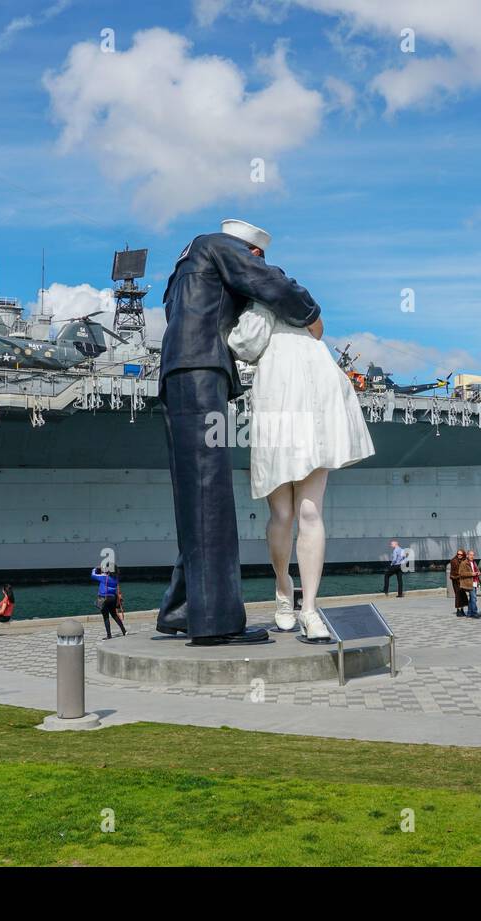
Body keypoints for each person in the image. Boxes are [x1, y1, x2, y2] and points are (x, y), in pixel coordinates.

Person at [154, 219, 321, 646]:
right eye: (257, 258)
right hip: (201, 371)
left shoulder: (183, 265)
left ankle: (183, 608)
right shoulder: (223, 248)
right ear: (252, 251)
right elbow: (273, 287)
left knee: (192, 498)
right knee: (211, 496)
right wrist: (310, 311)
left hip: (177, 372)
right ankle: (217, 622)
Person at [242, 242, 375, 641]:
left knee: (311, 513)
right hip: (279, 402)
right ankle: (284, 588)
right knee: (282, 515)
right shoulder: (254, 303)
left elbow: (315, 328)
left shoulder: (285, 295)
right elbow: (247, 346)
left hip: (316, 398)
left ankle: (310, 607)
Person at [93, 564, 126, 639]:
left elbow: (93, 575)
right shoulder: (116, 578)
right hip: (113, 598)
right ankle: (124, 631)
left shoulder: (104, 577)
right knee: (114, 615)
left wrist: (95, 568)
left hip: (104, 598)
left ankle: (109, 635)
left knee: (106, 617)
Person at [448, 549, 468, 616]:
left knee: (462, 595)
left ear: (463, 555)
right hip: (456, 580)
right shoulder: (453, 561)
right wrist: (460, 575)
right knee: (458, 595)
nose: (459, 555)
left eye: (461, 554)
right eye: (458, 554)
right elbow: (454, 572)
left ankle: (462, 609)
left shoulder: (464, 560)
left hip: (462, 581)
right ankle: (458, 610)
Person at [458, 550, 476, 617]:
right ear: (467, 555)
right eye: (471, 555)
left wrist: (478, 573)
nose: (472, 556)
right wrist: (471, 574)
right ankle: (474, 612)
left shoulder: (474, 562)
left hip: (475, 582)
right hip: (469, 583)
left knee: (472, 598)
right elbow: (461, 573)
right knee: (474, 598)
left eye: (473, 555)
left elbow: (475, 570)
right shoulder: (463, 563)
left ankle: (469, 613)